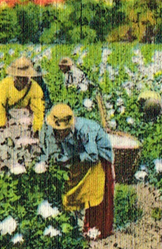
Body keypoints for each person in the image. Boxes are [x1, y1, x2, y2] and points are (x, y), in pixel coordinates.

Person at [39, 103, 114, 240]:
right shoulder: (54, 133)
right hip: (80, 156)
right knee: (71, 183)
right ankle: (72, 220)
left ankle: (90, 228)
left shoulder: (84, 130)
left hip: (99, 156)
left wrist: (71, 159)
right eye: (58, 129)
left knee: (92, 189)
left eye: (63, 130)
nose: (60, 132)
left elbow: (92, 155)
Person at [0, 57, 46, 172]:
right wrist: (2, 127)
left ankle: (26, 171)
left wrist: (36, 129)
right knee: (6, 149)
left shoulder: (34, 88)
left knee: (26, 150)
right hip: (8, 123)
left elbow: (38, 111)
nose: (22, 80)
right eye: (19, 77)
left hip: (26, 124)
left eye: (25, 77)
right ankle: (4, 172)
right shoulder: (4, 86)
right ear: (14, 76)